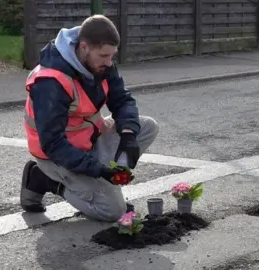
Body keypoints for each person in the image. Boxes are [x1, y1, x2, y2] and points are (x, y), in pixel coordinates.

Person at [20, 14, 159, 222]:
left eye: (112, 55)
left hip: (89, 142)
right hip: (57, 156)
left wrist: (129, 134)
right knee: (113, 212)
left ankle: (103, 186)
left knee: (147, 126)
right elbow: (54, 144)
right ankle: (44, 180)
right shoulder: (51, 83)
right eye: (104, 56)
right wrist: (99, 170)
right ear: (84, 47)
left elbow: (122, 100)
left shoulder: (101, 64)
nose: (109, 62)